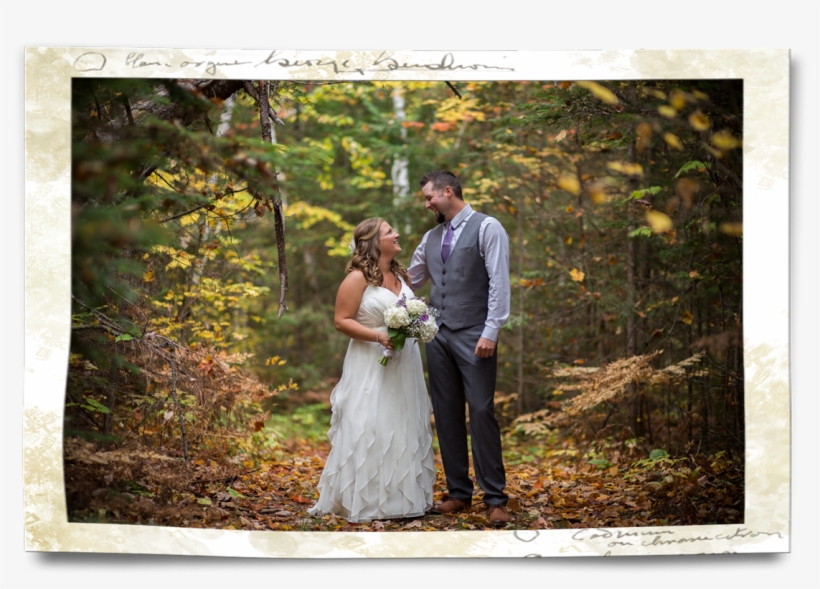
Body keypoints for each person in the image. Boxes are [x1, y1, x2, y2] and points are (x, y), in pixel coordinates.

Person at [308, 217, 435, 523]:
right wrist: (379, 337)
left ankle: (400, 499)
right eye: (390, 231)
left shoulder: (400, 275)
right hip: (370, 361)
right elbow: (342, 321)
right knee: (371, 423)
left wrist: (416, 327)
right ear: (374, 241)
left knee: (402, 422)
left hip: (404, 363)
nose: (397, 234)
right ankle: (366, 500)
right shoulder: (357, 278)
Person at [408, 170, 512, 526]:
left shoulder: (488, 227)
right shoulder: (431, 237)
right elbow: (411, 279)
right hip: (437, 335)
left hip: (475, 334)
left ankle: (495, 498)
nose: (427, 204)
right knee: (446, 413)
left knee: (481, 411)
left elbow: (499, 282)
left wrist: (491, 331)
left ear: (447, 192)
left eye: (429, 197)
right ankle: (458, 493)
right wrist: (371, 269)